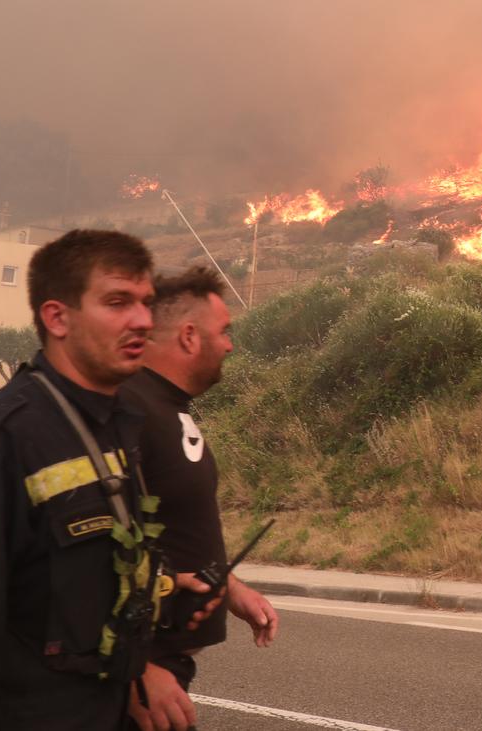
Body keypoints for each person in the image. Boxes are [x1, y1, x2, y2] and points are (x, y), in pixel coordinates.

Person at [0, 229, 208, 730]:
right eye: (118, 302)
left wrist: (162, 584)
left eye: (146, 302)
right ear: (56, 317)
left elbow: (72, 571)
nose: (143, 320)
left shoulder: (116, 423)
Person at [122, 266, 279, 731]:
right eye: (224, 331)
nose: (230, 344)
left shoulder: (166, 410)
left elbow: (165, 529)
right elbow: (85, 552)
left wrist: (230, 588)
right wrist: (135, 674)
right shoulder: (130, 409)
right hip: (134, 677)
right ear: (189, 336)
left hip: (163, 669)